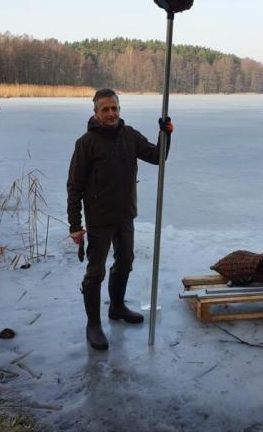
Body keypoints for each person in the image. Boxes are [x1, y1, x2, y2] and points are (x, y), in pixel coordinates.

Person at [67, 88, 173, 350]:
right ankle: (93, 325)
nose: (111, 113)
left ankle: (116, 307)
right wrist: (75, 225)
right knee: (95, 272)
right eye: (106, 109)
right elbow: (74, 186)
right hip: (99, 218)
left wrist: (166, 134)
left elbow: (157, 157)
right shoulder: (86, 143)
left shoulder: (129, 135)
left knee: (125, 261)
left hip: (125, 214)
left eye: (115, 108)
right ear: (96, 113)